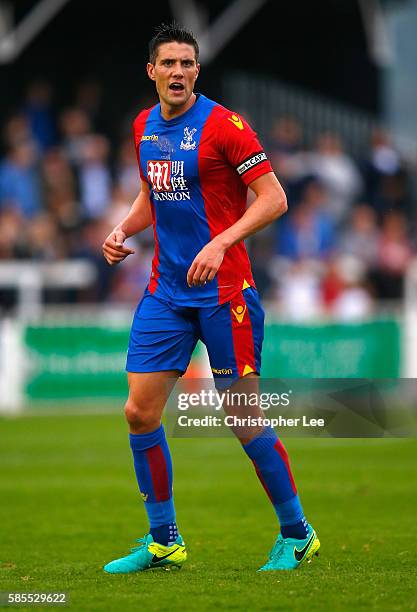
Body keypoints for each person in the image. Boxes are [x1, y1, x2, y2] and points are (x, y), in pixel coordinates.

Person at [102, 23, 320, 573]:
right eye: (169, 64)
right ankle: (164, 539)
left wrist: (222, 242)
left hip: (226, 294)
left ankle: (297, 533)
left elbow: (274, 199)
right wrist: (123, 229)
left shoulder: (225, 126)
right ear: (151, 71)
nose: (179, 73)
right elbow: (154, 193)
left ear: (197, 71)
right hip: (167, 292)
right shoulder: (144, 127)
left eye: (188, 64)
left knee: (243, 417)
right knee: (138, 411)